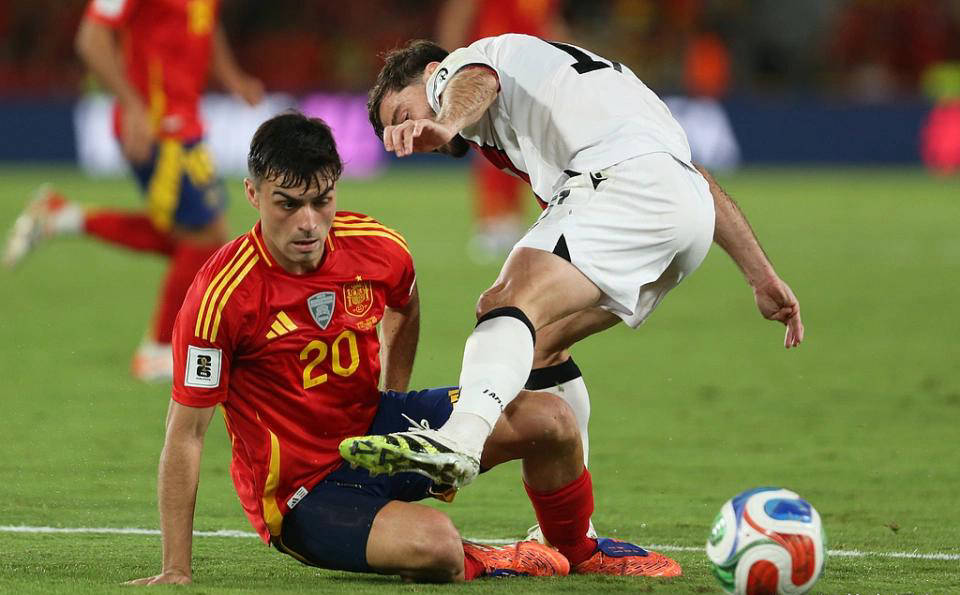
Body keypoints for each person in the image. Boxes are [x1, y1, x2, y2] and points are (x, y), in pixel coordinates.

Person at [126, 113, 681, 585]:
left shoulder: (377, 248)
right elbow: (186, 434)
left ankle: (578, 552)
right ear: (252, 194)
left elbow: (405, 306)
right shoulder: (222, 295)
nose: (308, 223)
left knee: (552, 420)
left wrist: (393, 400)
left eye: (321, 201)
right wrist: (176, 569)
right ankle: (494, 561)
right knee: (435, 544)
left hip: (375, 431)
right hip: (302, 494)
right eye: (287, 205)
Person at [345, 36, 804, 492]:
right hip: (687, 217)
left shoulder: (467, 64)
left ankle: (460, 439)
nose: (407, 137)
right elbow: (694, 177)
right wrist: (761, 277)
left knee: (503, 305)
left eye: (402, 117)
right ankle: (570, 527)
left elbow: (477, 80)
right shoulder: (569, 88)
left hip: (624, 190)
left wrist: (444, 122)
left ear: (431, 74)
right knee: (538, 344)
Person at [2, 0, 263, 381]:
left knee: (195, 240)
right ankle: (157, 350)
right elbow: (90, 38)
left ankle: (62, 215)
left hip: (186, 123)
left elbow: (206, 22)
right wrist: (133, 106)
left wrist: (233, 78)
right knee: (204, 236)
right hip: (155, 126)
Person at [436, 0, 567, 263]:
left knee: (529, 146)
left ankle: (514, 220)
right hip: (489, 68)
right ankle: (493, 221)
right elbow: (459, 13)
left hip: (533, 73)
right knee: (494, 141)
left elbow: (548, 23)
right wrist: (447, 65)